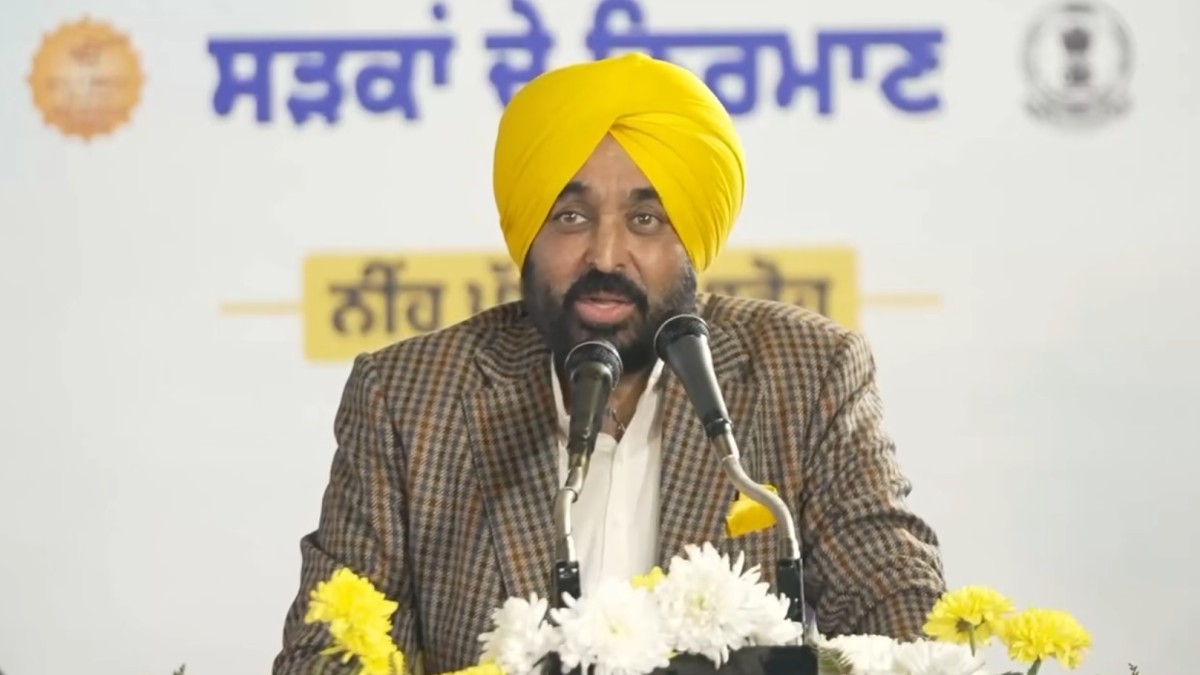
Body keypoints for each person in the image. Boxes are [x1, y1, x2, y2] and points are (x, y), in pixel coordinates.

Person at [273, 52, 945, 674]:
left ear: (691, 239)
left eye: (646, 220)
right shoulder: (409, 396)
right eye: (571, 216)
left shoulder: (807, 371)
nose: (604, 254)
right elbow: (324, 656)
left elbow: (899, 609)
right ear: (529, 233)